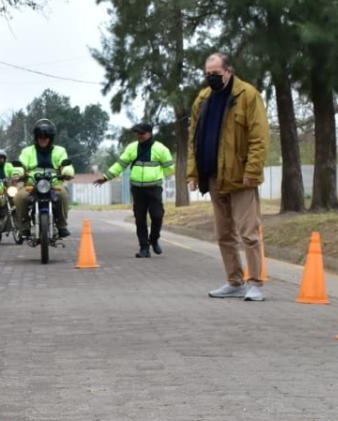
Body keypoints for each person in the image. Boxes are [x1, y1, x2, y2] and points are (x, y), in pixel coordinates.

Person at [187, 52, 269, 302]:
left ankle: (255, 283)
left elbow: (259, 137)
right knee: (224, 234)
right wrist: (193, 173)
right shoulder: (203, 99)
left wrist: (252, 171)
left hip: (241, 177)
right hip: (214, 177)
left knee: (249, 233)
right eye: (207, 74)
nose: (211, 77)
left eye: (216, 73)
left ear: (228, 71)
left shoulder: (248, 95)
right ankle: (234, 282)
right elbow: (194, 139)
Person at [96, 122, 174, 258]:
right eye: (137, 133)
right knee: (140, 219)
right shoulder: (132, 148)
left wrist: (157, 177)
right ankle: (144, 248)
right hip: (137, 190)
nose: (139, 135)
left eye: (142, 133)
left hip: (154, 188)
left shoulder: (161, 149)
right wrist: (106, 177)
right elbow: (120, 165)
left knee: (157, 216)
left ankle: (154, 239)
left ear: (150, 133)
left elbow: (169, 168)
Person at [15, 119, 74, 239]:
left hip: (54, 184)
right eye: (40, 137)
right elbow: (21, 164)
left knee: (63, 194)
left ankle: (62, 225)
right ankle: (24, 227)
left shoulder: (60, 151)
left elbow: (66, 164)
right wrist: (17, 173)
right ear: (36, 138)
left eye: (46, 137)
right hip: (31, 185)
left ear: (51, 138)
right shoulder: (27, 151)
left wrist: (67, 172)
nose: (43, 139)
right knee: (19, 197)